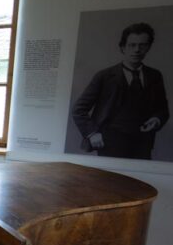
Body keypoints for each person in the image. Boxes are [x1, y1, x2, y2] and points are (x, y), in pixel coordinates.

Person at [71, 22, 169, 159]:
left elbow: (162, 109)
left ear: (149, 47)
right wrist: (92, 133)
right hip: (109, 143)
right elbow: (78, 109)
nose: (137, 50)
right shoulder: (104, 76)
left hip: (142, 143)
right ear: (123, 48)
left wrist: (156, 119)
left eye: (142, 45)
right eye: (132, 45)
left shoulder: (155, 76)